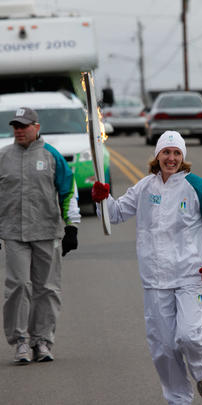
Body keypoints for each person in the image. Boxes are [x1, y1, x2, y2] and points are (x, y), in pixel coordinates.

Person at [91, 131, 202, 405]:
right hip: (155, 279)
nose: (171, 158)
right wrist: (102, 199)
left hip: (189, 275)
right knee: (164, 349)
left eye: (177, 153)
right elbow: (116, 213)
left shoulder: (197, 187)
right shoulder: (146, 187)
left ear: (183, 158)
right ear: (157, 156)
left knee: (188, 334)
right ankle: (178, 399)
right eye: (166, 152)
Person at [0, 107, 81, 364]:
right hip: (13, 232)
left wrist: (72, 226)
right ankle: (21, 342)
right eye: (16, 126)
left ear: (36, 127)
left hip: (47, 232)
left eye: (24, 126)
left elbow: (68, 190)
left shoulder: (51, 156)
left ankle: (42, 340)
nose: (19, 130)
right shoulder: (3, 157)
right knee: (18, 286)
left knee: (47, 288)